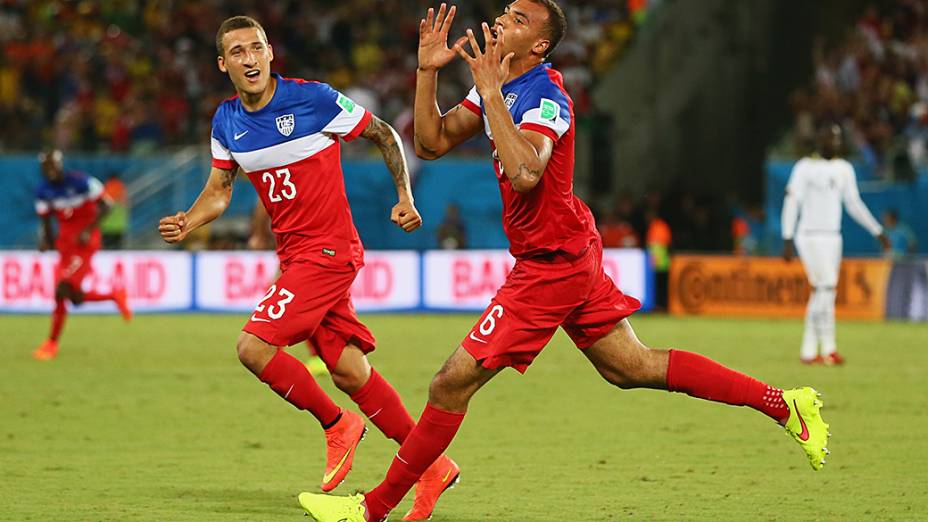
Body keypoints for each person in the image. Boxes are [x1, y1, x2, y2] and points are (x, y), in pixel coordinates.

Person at [299, 3, 830, 520]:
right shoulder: (498, 86)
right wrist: (425, 73)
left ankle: (370, 510)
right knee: (631, 366)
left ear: (540, 45)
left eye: (519, 19)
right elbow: (432, 142)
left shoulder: (547, 97)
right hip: (564, 250)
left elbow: (527, 171)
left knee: (448, 384)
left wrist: (489, 94)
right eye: (506, 11)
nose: (504, 20)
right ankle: (784, 404)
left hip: (552, 264)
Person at [157, 16, 455, 518]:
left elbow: (383, 133)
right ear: (222, 64)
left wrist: (404, 195)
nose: (249, 59)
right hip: (296, 256)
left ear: (270, 52)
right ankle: (433, 466)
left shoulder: (313, 99)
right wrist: (190, 219)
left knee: (253, 347)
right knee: (347, 369)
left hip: (329, 250)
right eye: (237, 52)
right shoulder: (226, 121)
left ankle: (338, 425)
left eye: (256, 48)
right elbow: (220, 191)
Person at [781, 124, 891, 365]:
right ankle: (828, 348)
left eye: (839, 138)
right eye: (831, 138)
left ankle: (809, 350)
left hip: (833, 236)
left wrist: (877, 230)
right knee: (827, 288)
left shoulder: (844, 169)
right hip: (809, 235)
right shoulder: (805, 167)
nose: (836, 142)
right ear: (820, 140)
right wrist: (787, 236)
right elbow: (792, 201)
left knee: (822, 291)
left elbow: (853, 203)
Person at [32, 150, 132, 361]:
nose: (49, 171)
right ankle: (114, 295)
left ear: (60, 165)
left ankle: (51, 343)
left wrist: (89, 229)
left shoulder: (82, 182)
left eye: (52, 166)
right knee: (74, 296)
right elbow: (46, 221)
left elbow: (107, 206)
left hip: (85, 243)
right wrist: (46, 241)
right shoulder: (43, 191)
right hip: (65, 245)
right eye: (45, 168)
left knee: (61, 291)